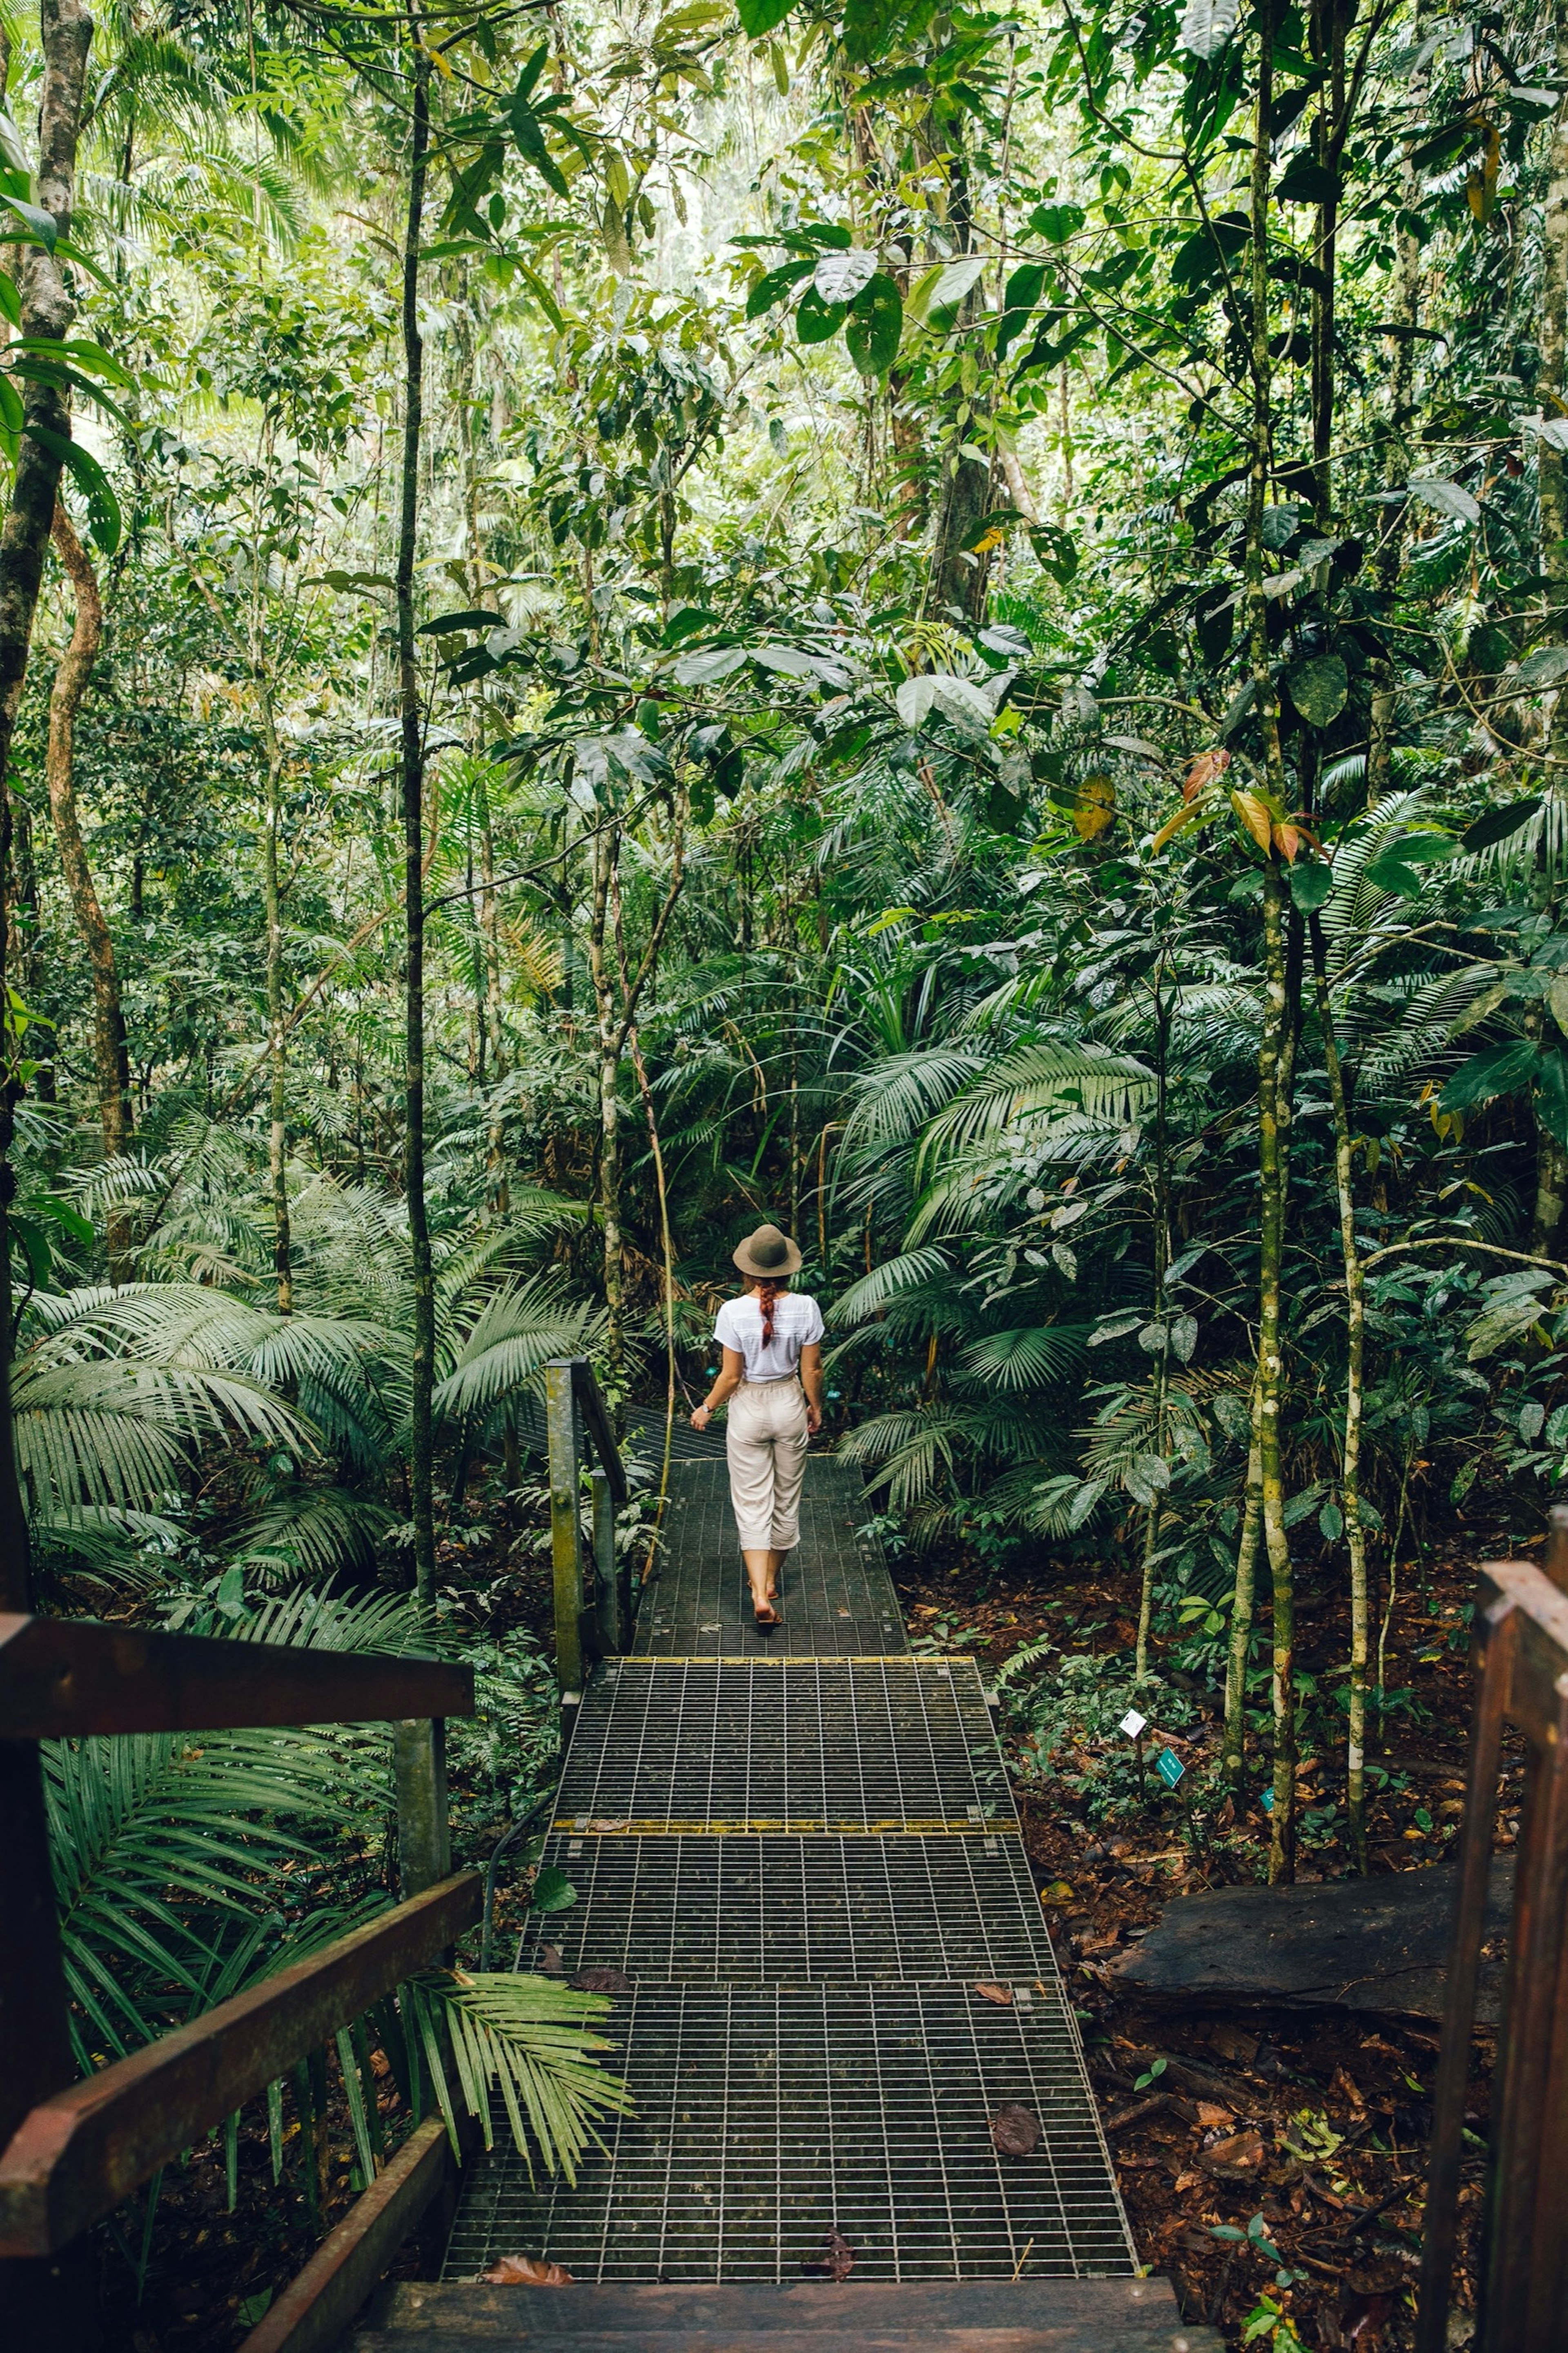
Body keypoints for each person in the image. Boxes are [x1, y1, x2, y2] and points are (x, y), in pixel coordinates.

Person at [690, 1223, 825, 1629]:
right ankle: (766, 1581)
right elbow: (812, 1368)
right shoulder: (807, 1306)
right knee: (785, 1501)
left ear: (748, 1271)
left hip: (748, 1407)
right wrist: (814, 1406)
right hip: (788, 1403)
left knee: (753, 1503)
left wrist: (707, 1407)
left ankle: (759, 1590)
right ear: (787, 1270)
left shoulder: (732, 1311)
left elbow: (731, 1376)